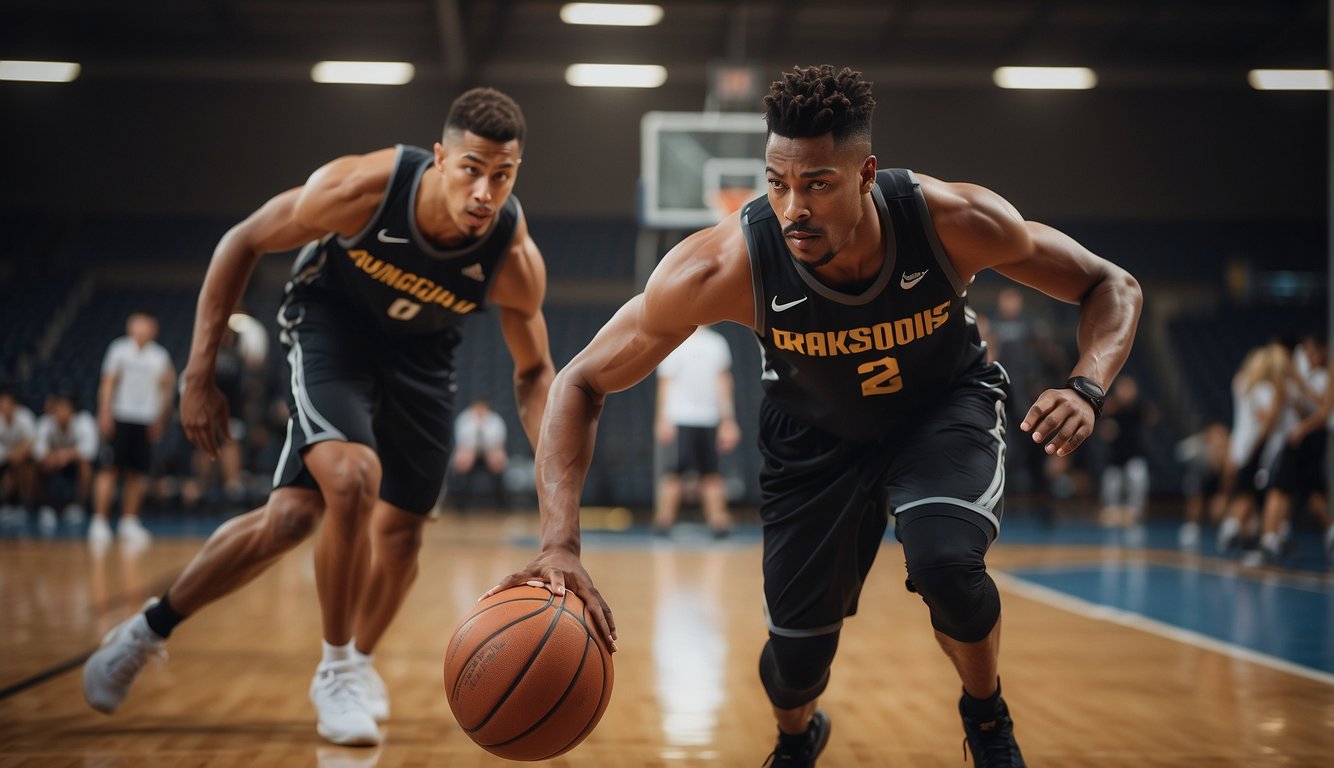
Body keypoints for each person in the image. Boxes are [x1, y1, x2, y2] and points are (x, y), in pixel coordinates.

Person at [486, 65, 1141, 768]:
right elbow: (580, 379)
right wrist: (560, 543)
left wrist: (1086, 384)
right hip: (813, 441)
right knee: (793, 665)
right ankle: (797, 737)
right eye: (777, 182)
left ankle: (986, 716)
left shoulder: (954, 222)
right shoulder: (724, 267)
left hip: (939, 411)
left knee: (946, 563)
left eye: (817, 184)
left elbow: (1111, 283)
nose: (792, 206)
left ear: (866, 175)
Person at [81, 87, 555, 748]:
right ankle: (332, 671)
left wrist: (553, 479)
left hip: (422, 357)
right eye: (472, 169)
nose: (485, 192)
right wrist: (197, 372)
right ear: (441, 158)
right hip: (332, 329)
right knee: (352, 481)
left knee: (347, 530)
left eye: (502, 176)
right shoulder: (362, 189)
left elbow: (534, 373)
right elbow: (242, 240)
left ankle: (334, 659)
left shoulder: (511, 254)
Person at [90, 311, 176, 549]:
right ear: (130, 327)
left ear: (153, 328)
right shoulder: (119, 349)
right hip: (120, 416)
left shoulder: (160, 356)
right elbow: (108, 382)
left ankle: (129, 521)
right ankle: (100, 521)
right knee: (109, 469)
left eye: (145, 325)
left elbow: (166, 390)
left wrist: (161, 419)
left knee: (136, 473)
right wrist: (105, 411)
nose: (140, 329)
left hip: (145, 419)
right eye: (136, 324)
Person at [652, 324, 739, 537]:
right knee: (674, 473)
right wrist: (662, 419)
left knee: (711, 473)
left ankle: (719, 522)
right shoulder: (674, 341)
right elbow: (665, 383)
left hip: (709, 418)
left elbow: (724, 382)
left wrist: (728, 420)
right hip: (680, 417)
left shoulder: (717, 343)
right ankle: (663, 522)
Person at [1216, 342, 1287, 555]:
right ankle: (1253, 533)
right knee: (1256, 493)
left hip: (1240, 445)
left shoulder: (1240, 382)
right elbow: (1266, 420)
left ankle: (1241, 530)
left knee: (1246, 492)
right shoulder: (1264, 389)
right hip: (1254, 447)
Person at [1097, 374, 1156, 531]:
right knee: (1111, 482)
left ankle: (1135, 512)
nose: (1125, 392)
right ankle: (1112, 511)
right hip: (1115, 457)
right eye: (1122, 388)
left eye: (1128, 388)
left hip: (1134, 454)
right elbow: (1104, 430)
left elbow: (1152, 415)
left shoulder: (1140, 407)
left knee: (1137, 474)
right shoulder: (1110, 407)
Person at [33, 392, 99, 534]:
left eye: (64, 408)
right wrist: (54, 457)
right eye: (58, 408)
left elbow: (90, 450)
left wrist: (65, 455)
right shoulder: (46, 422)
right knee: (34, 465)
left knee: (85, 464)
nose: (60, 412)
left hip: (74, 466)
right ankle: (44, 507)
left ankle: (79, 506)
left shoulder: (84, 421)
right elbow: (37, 450)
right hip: (52, 465)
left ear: (72, 410)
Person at [449, 398, 510, 511]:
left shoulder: (495, 420)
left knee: (498, 463)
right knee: (461, 466)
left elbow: (497, 443)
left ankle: (502, 505)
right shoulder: (464, 419)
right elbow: (463, 444)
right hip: (470, 455)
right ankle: (460, 506)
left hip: (490, 454)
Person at [0, 384, 37, 527]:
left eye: (7, 403)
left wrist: (19, 454)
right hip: (5, 460)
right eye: (1, 403)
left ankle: (26, 505)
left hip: (24, 460)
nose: (4, 406)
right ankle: (6, 505)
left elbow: (33, 440)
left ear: (14, 404)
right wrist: (9, 455)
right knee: (8, 474)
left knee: (28, 468)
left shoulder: (24, 417)